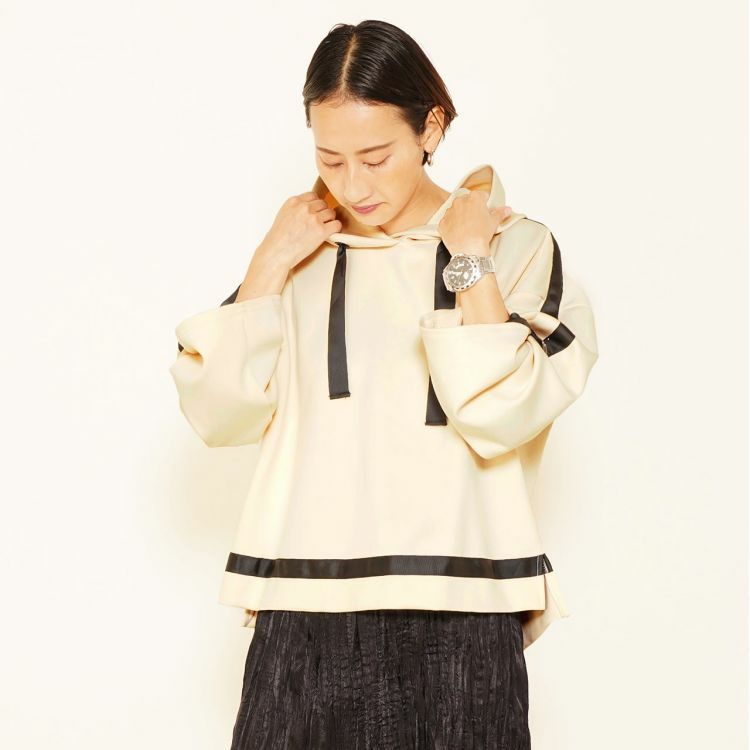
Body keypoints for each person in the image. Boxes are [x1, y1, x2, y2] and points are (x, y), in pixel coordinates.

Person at [169, 19, 599, 750]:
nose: (354, 185)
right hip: (302, 602)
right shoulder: (299, 255)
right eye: (329, 159)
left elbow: (501, 409)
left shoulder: (516, 246)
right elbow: (218, 412)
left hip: (464, 605)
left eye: (376, 157)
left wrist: (469, 256)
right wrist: (268, 261)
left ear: (431, 127)